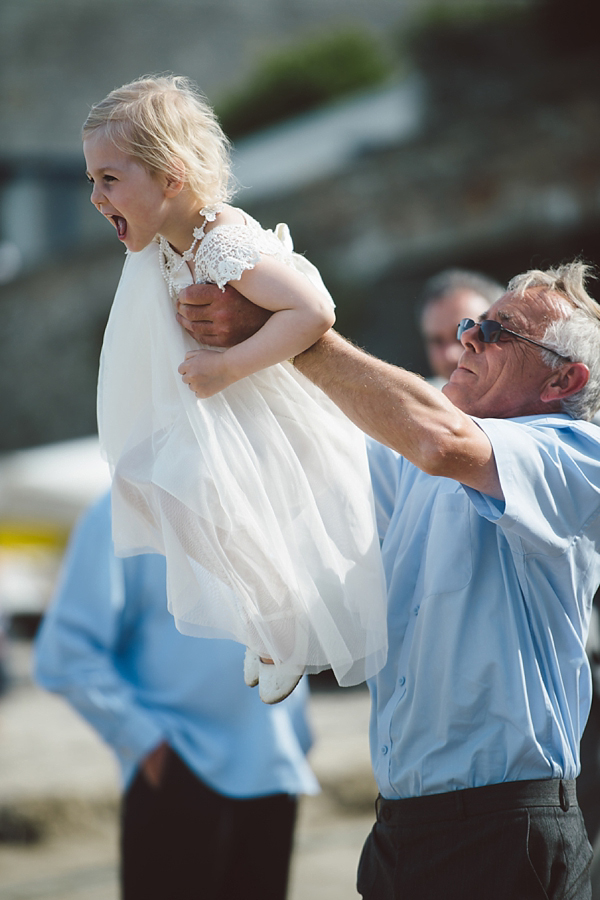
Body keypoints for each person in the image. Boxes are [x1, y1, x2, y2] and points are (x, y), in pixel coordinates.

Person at [176, 260, 600, 899]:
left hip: (507, 829)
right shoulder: (420, 456)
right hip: (402, 826)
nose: (469, 339)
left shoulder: (577, 452)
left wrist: (290, 332)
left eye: (499, 331)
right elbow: (314, 458)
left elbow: (436, 441)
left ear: (564, 378)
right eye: (471, 324)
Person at [83, 74, 387, 705]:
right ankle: (270, 615)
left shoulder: (221, 237)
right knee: (143, 480)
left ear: (172, 178)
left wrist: (228, 367)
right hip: (227, 405)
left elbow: (313, 310)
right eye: (91, 180)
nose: (94, 196)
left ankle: (281, 624)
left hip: (268, 406)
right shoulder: (167, 244)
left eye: (109, 179)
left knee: (177, 482)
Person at [34, 492, 319, 900]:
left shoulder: (273, 496)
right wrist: (149, 745)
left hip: (276, 771)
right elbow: (64, 653)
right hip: (179, 775)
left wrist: (298, 736)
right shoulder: (123, 508)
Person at [417, 268, 504, 386]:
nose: (451, 355)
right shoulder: (416, 401)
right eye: (437, 341)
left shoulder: (535, 397)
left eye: (464, 332)